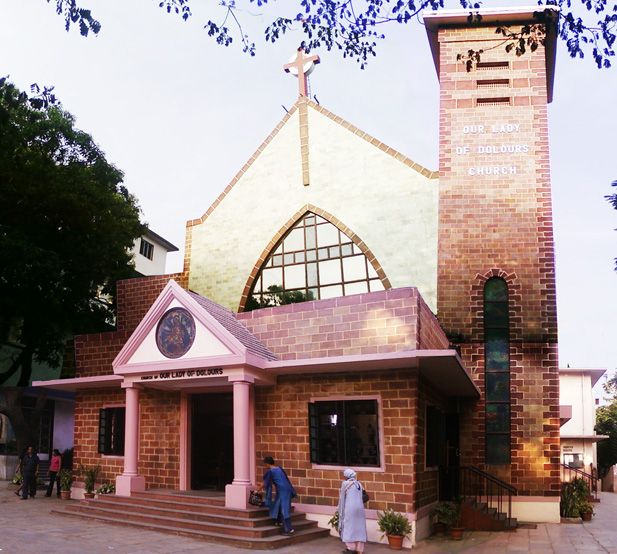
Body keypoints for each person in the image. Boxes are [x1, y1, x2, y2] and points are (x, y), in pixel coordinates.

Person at [259, 456, 296, 536]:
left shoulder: (271, 471)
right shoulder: (279, 469)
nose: (265, 466)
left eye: (265, 464)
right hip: (286, 489)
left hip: (283, 491)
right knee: (277, 505)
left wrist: (257, 490)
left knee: (284, 509)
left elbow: (265, 483)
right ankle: (279, 521)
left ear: (267, 464)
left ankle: (289, 529)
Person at [337, 468, 367, 554]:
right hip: (360, 509)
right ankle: (359, 550)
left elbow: (342, 498)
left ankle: (351, 548)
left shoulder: (345, 484)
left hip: (349, 509)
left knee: (349, 527)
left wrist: (340, 509)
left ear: (346, 476)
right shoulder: (359, 484)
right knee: (359, 528)